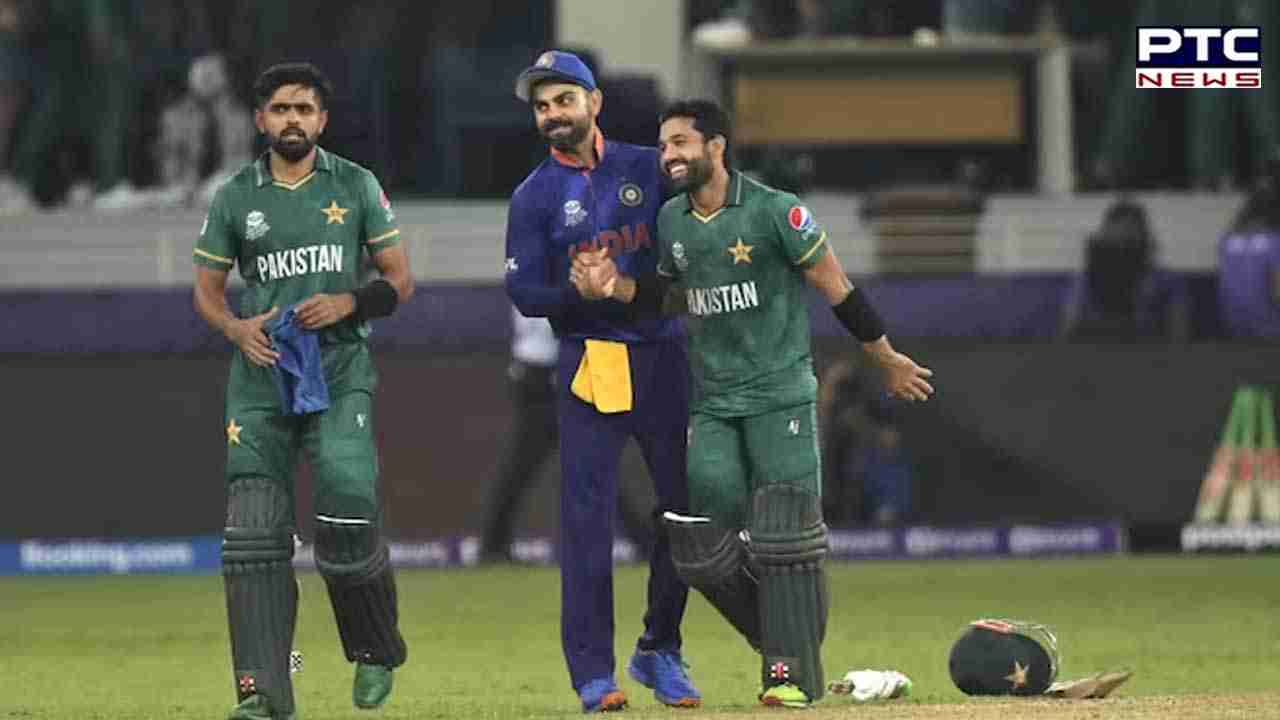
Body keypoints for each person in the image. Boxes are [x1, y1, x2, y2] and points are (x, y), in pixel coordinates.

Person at [573, 99, 933, 708]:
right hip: (714, 403)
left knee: (784, 534)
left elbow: (836, 287)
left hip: (779, 395)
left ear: (716, 147)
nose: (669, 156)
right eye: (663, 146)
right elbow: (673, 297)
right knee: (700, 544)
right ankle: (787, 644)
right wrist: (616, 286)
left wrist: (885, 356)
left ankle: (787, 675)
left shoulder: (774, 211)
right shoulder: (671, 221)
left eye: (681, 143)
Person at [193, 62, 412, 720]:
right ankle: (264, 692)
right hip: (261, 373)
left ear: (323, 120)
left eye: (305, 109)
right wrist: (235, 328)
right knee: (253, 536)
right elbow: (206, 292)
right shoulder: (235, 196)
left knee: (347, 507)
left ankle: (373, 649)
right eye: (282, 109)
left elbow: (399, 281)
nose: (293, 119)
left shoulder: (356, 184)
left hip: (338, 367)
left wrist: (349, 302)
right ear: (261, 119)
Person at [503, 50, 701, 713]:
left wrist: (626, 286)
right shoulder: (533, 196)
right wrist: (576, 292)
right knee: (585, 522)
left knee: (683, 513)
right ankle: (593, 672)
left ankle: (660, 649)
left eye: (564, 99)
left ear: (594, 102)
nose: (552, 114)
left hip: (662, 356)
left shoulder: (649, 167)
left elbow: (686, 258)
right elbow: (524, 291)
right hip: (590, 362)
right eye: (542, 106)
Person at [480, 305, 657, 564]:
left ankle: (493, 545)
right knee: (572, 464)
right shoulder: (543, 283)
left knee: (587, 464)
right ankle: (492, 545)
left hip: (544, 370)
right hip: (542, 375)